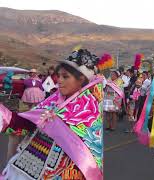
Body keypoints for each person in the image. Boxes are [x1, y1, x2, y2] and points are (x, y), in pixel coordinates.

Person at [0, 49, 104, 179]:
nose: (59, 80)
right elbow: (25, 125)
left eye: (65, 76)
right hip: (28, 165)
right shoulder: (53, 100)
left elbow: (84, 159)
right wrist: (6, 117)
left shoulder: (90, 109)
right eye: (58, 75)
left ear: (81, 79)